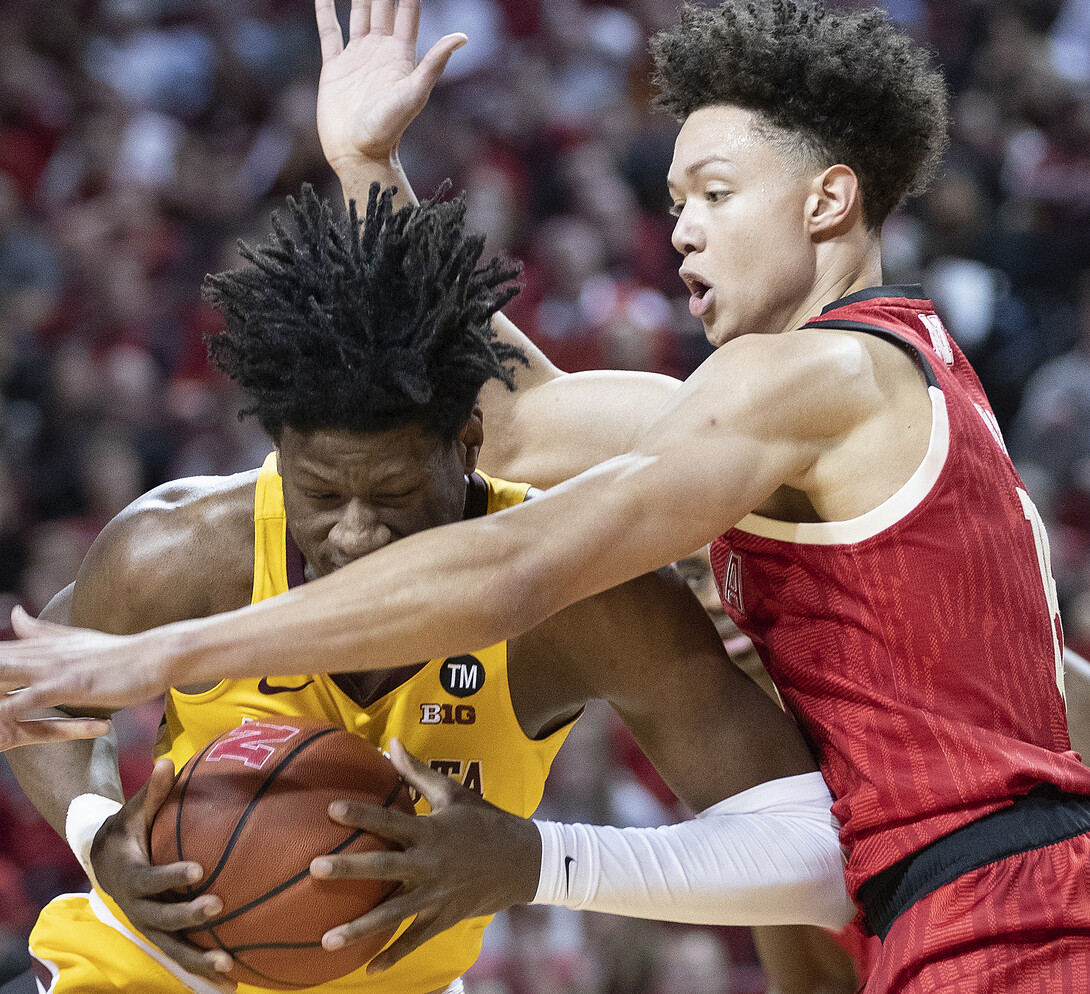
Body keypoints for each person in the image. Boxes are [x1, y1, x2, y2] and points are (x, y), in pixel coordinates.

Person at [5, 1, 1090, 990]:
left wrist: (156, 659)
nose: (681, 229)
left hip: (998, 904)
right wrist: (367, 167)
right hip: (976, 893)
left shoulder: (810, 377)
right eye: (672, 202)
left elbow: (514, 564)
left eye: (715, 193)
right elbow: (518, 416)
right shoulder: (871, 392)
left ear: (828, 198)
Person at [2, 185, 853, 994]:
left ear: (469, 442)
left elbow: (810, 852)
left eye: (396, 496)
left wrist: (535, 860)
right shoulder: (180, 550)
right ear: (280, 452)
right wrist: (94, 827)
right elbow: (35, 687)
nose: (356, 533)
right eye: (323, 496)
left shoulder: (582, 597)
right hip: (141, 972)